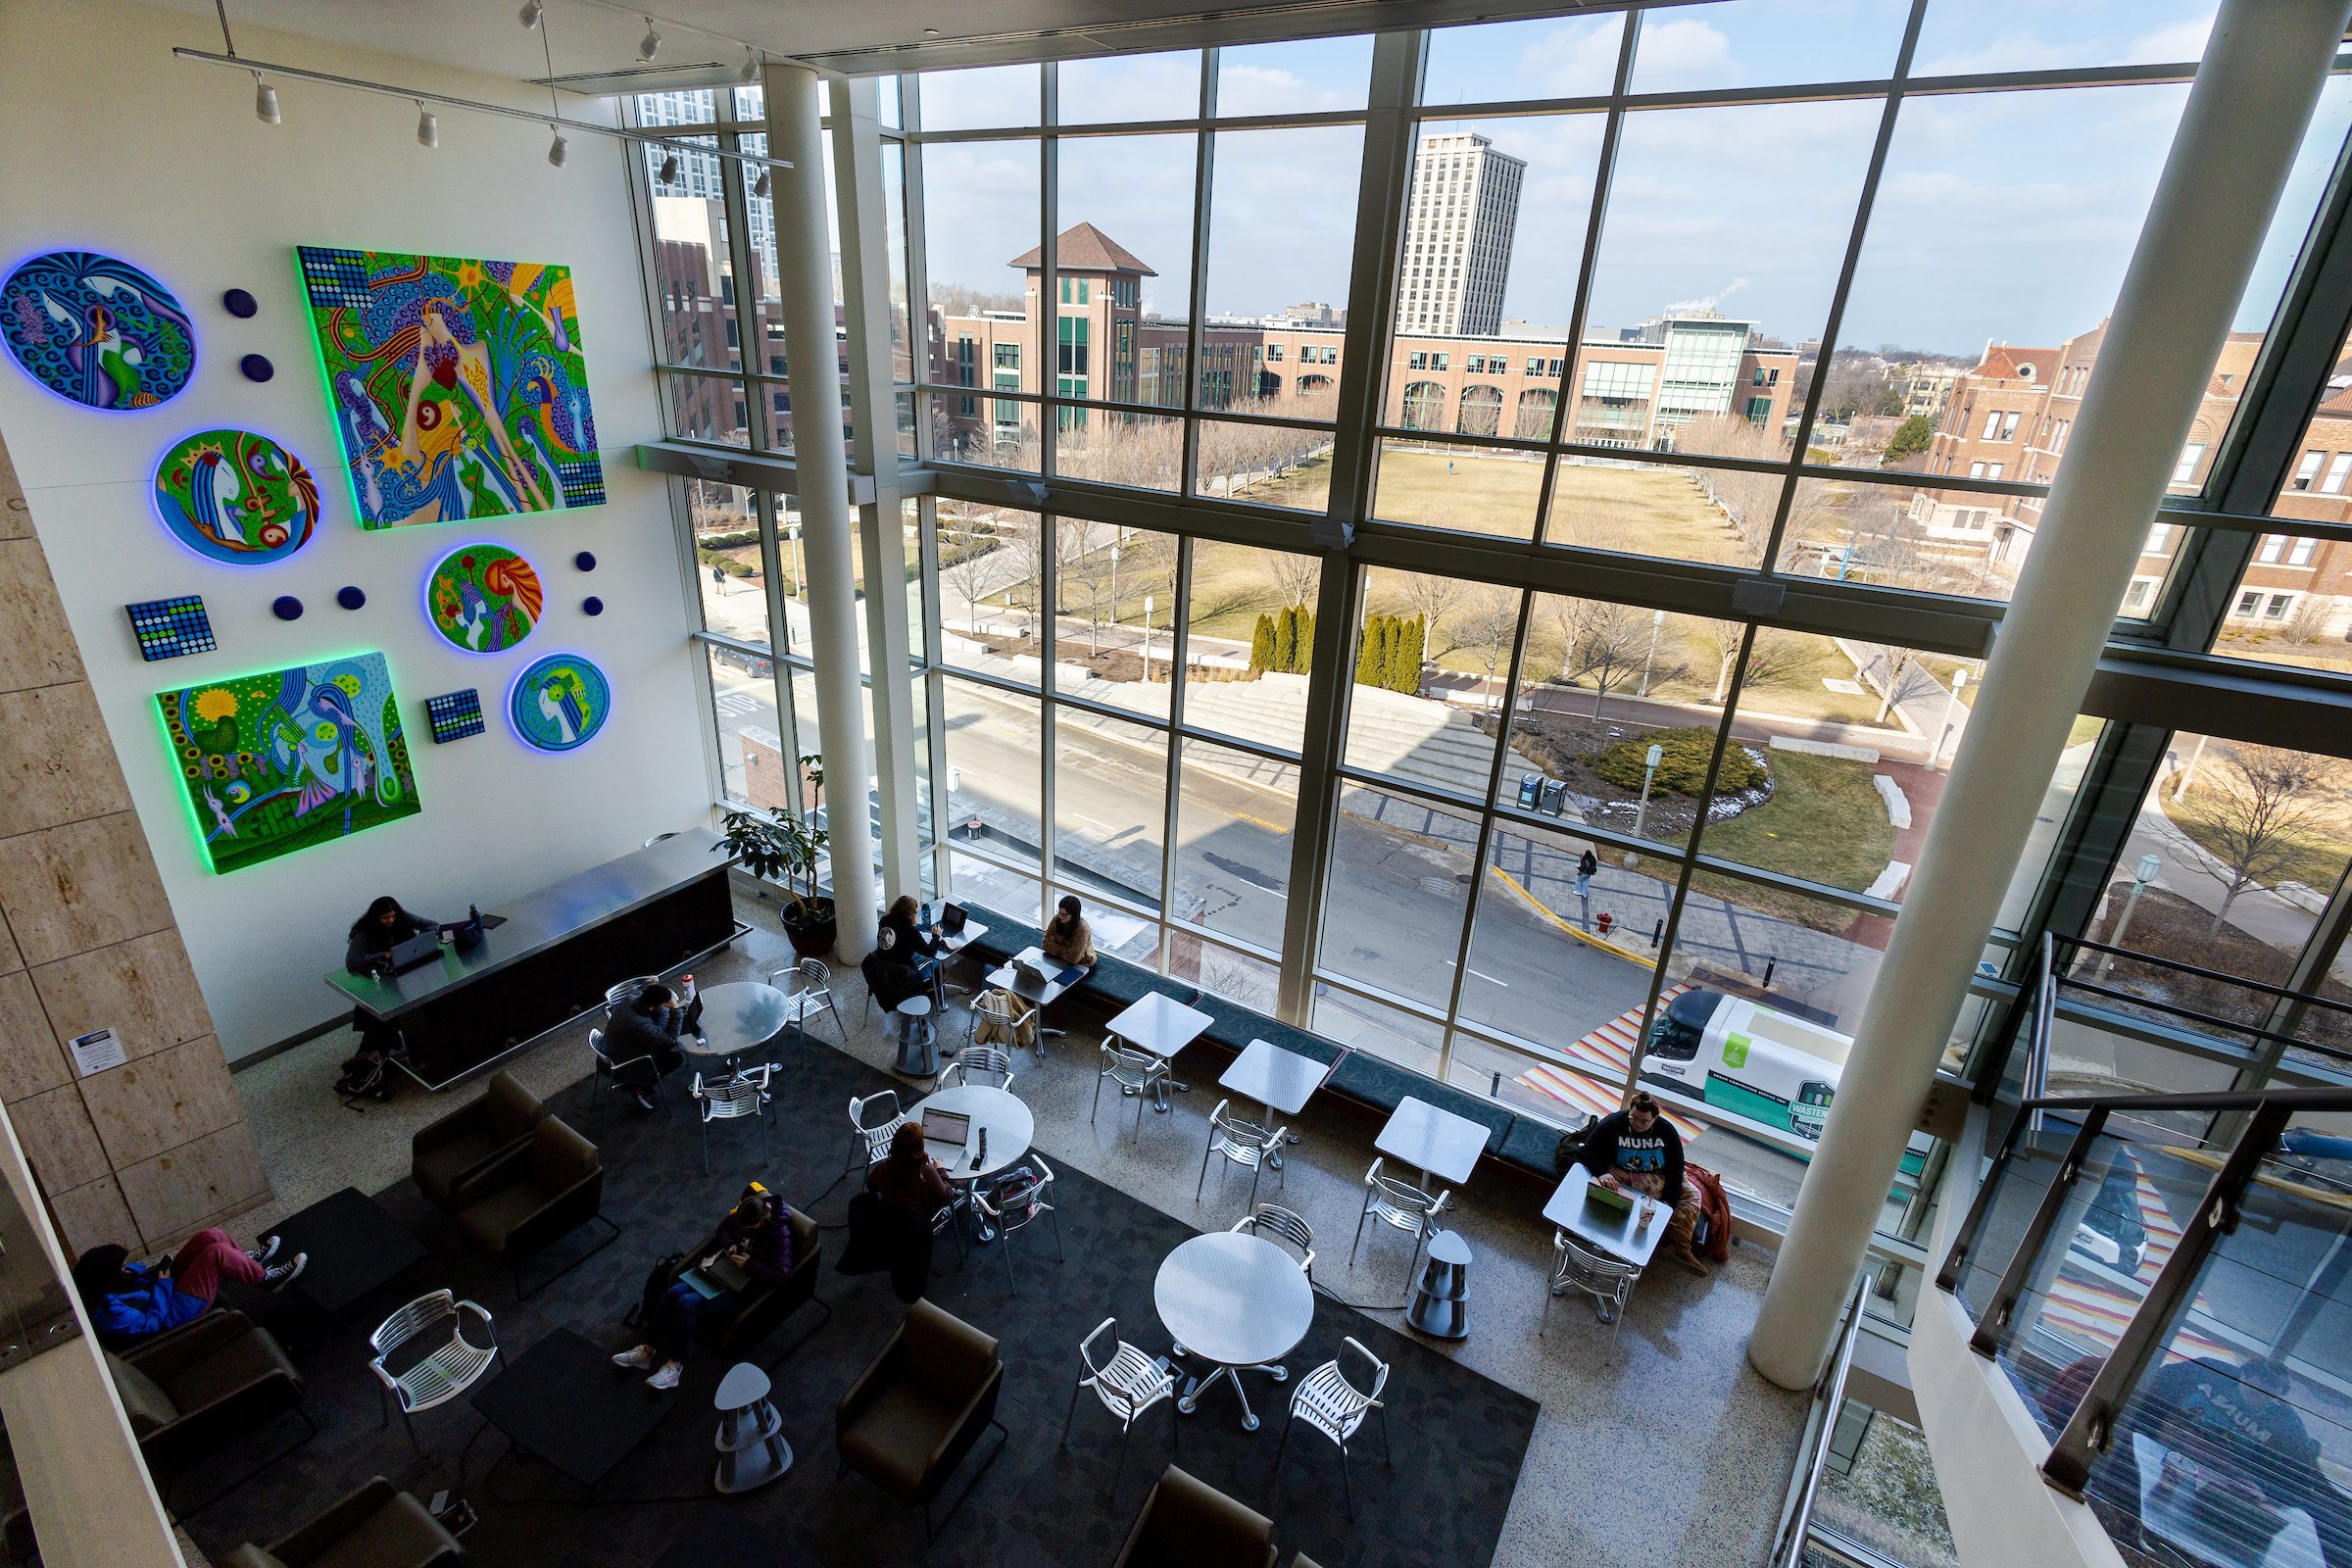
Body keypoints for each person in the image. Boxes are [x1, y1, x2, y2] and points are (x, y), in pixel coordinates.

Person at [613, 1185, 791, 1391]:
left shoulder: (780, 1233)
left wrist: (749, 1264)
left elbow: (782, 1275)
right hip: (722, 1271)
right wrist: (731, 1244)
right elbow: (724, 1228)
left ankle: (674, 1367)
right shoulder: (749, 1208)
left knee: (686, 1303)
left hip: (740, 1289)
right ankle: (647, 1350)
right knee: (673, 1292)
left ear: (760, 1223)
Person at [73, 1232, 306, 1347]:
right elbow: (151, 1324)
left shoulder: (106, 1284)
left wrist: (136, 1273)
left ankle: (247, 1264)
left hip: (163, 1293)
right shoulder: (112, 1315)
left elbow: (134, 1275)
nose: (126, 1269)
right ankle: (265, 1280)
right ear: (108, 1277)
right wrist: (162, 1285)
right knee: (215, 1254)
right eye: (121, 1268)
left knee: (211, 1236)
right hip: (174, 1314)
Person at [1576, 1092, 1708, 1275]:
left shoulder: (1667, 1132)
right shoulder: (1613, 1123)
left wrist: (1668, 1203)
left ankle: (1679, 1245)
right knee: (1634, 1189)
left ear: (1655, 1119)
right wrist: (1602, 1172)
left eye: (1644, 1121)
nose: (1638, 1124)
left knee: (1693, 1194)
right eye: (1634, 1118)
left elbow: (1676, 1167)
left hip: (1658, 1174)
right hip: (1622, 1173)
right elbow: (1587, 1150)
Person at [606, 982, 690, 1111]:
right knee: (676, 1058)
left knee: (666, 1042)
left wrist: (664, 1013)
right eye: (663, 1005)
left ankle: (638, 1083)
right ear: (653, 1006)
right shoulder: (638, 1023)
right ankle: (638, 1086)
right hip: (625, 1061)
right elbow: (670, 1038)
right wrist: (675, 1010)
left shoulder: (633, 998)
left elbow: (658, 1029)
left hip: (619, 1046)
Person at [344, 896, 438, 976]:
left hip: (410, 963)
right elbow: (352, 961)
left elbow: (433, 926)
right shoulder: (363, 932)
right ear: (376, 918)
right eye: (385, 918)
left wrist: (419, 941)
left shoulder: (402, 916)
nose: (391, 920)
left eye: (393, 916)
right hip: (384, 972)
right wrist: (383, 955)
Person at [876, 895, 944, 994]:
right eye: (915, 912)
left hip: (885, 967)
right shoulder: (910, 931)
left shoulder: (884, 920)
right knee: (938, 963)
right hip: (905, 974)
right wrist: (936, 936)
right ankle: (935, 992)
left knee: (918, 954)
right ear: (910, 914)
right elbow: (930, 952)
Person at [1042, 895, 1096, 971]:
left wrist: (1055, 949)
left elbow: (1073, 959)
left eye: (1064, 915)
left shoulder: (1082, 929)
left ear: (1074, 915)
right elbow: (1045, 945)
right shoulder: (1057, 919)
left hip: (1082, 964)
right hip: (1059, 959)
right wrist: (1067, 950)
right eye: (1059, 912)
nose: (1060, 916)